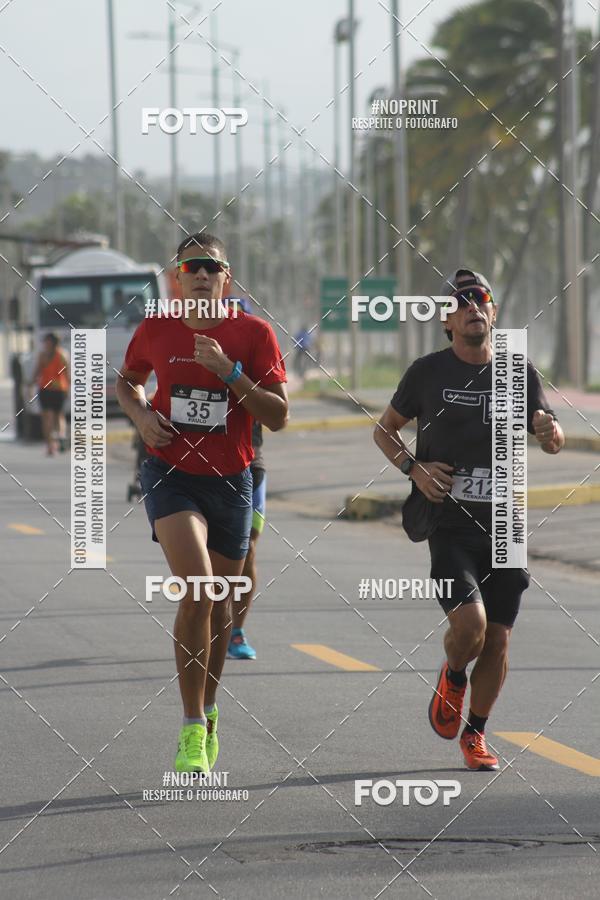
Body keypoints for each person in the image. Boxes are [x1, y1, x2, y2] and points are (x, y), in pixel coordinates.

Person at [374, 268, 564, 771]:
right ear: (447, 320)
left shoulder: (517, 371)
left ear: (493, 312)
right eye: (461, 301)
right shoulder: (426, 373)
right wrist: (413, 468)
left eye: (480, 298)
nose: (472, 306)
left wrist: (548, 430)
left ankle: (475, 734)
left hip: (506, 523)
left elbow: (552, 436)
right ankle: (453, 674)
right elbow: (385, 431)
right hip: (450, 524)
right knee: (472, 626)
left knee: (498, 637)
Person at [116, 233, 288, 773]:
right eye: (190, 266)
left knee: (219, 604)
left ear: (225, 280)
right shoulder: (156, 328)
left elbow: (279, 415)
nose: (200, 274)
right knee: (198, 589)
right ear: (176, 278)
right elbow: (127, 382)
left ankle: (209, 710)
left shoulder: (253, 333)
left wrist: (229, 372)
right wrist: (142, 415)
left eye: (211, 266)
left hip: (232, 479)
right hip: (170, 474)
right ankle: (191, 726)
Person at [223, 299, 267, 662]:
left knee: (248, 549)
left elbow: (278, 407)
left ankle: (236, 630)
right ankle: (208, 618)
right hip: (200, 469)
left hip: (251, 464)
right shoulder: (197, 352)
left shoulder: (258, 356)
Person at [33, 332, 69, 456]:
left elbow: (37, 372)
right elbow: (67, 374)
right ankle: (58, 439)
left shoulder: (43, 355)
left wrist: (30, 383)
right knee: (55, 417)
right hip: (57, 389)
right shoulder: (63, 354)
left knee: (50, 417)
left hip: (48, 389)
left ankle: (53, 443)